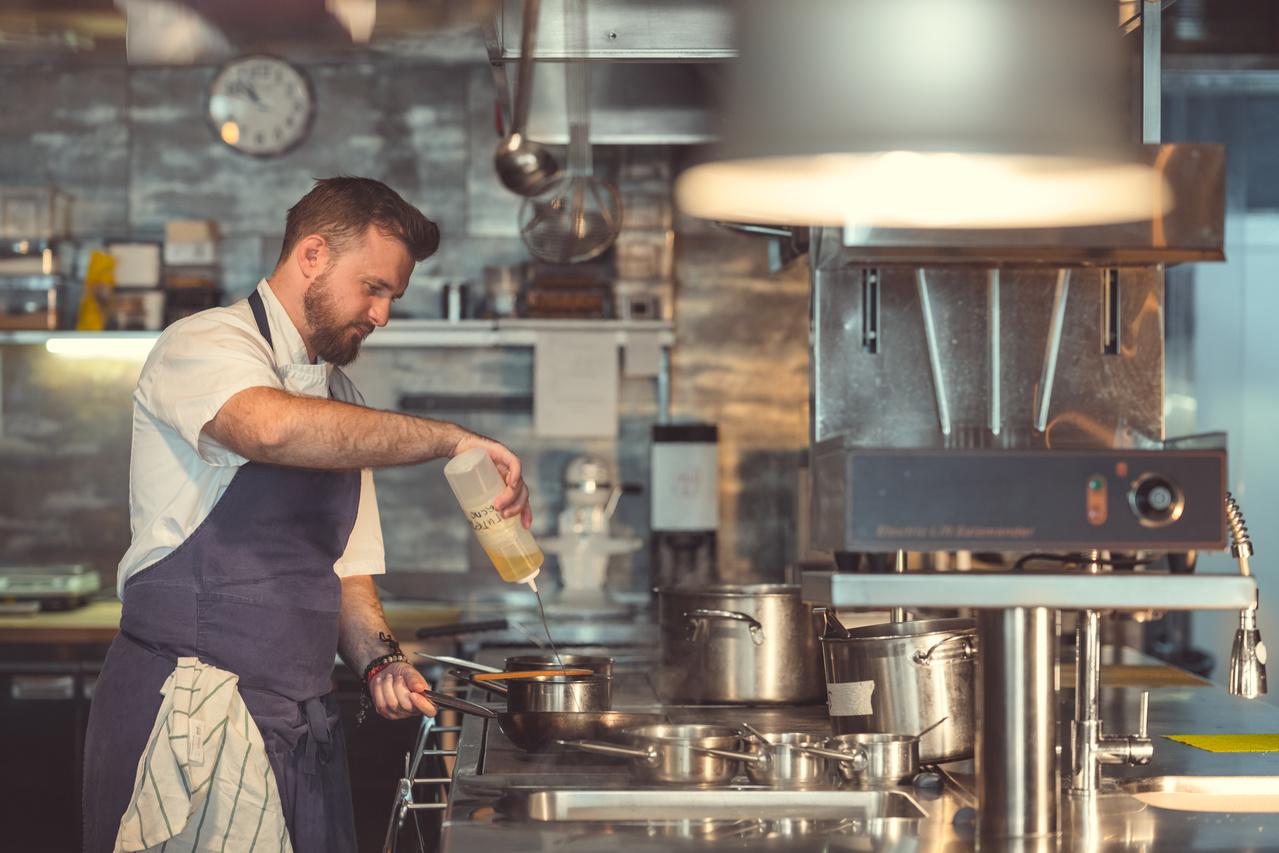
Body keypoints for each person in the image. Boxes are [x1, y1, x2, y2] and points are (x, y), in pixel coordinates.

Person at [82, 176, 532, 853]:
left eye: (393, 297)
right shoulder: (203, 343)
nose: (382, 314)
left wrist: (381, 662)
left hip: (299, 726)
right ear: (313, 254)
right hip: (190, 723)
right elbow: (266, 428)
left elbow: (346, 570)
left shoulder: (340, 399)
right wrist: (450, 439)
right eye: (373, 288)